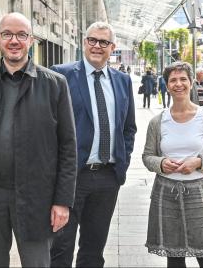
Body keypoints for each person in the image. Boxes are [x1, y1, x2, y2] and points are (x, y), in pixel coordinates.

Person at [0, 12, 77, 267]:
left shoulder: (55, 85)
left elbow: (68, 147)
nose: (14, 41)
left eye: (21, 35)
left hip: (36, 199)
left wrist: (62, 201)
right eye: (8, 34)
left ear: (31, 40)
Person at [50, 22, 137, 267]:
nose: (97, 46)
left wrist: (122, 163)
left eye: (104, 42)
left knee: (93, 250)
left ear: (113, 48)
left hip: (107, 178)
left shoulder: (123, 81)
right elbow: (47, 128)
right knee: (60, 249)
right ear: (84, 42)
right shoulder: (61, 75)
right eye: (92, 40)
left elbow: (128, 128)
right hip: (70, 178)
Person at [142, 62, 203, 268]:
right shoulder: (158, 122)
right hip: (166, 192)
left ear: (192, 82)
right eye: (173, 80)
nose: (178, 84)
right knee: (174, 255)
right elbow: (147, 156)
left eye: (183, 79)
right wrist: (161, 163)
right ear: (166, 85)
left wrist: (199, 162)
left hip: (201, 191)